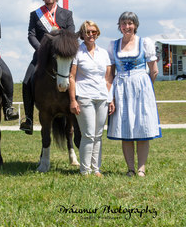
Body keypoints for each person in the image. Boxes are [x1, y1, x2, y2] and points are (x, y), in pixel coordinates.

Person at [107, 11, 161, 177]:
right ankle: (130, 168)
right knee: (126, 130)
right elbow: (110, 74)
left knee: (142, 129)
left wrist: (146, 88)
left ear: (135, 25)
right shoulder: (113, 45)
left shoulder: (145, 43)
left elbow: (154, 70)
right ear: (119, 26)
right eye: (123, 23)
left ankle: (141, 168)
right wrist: (111, 97)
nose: (127, 26)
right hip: (121, 88)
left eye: (130, 23)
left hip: (141, 88)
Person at [19, 0, 75, 134]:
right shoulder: (35, 15)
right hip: (41, 56)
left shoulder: (66, 14)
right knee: (26, 81)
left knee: (77, 77)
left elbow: (70, 34)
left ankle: (77, 109)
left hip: (61, 57)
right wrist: (40, 49)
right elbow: (31, 35)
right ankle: (29, 119)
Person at [69, 21, 111, 177]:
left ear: (97, 33)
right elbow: (71, 77)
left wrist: (109, 97)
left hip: (102, 98)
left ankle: (96, 169)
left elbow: (108, 78)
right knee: (88, 134)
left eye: (93, 31)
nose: (90, 34)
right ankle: (85, 170)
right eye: (87, 32)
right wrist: (73, 100)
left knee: (98, 135)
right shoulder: (77, 53)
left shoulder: (104, 53)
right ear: (82, 35)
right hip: (84, 97)